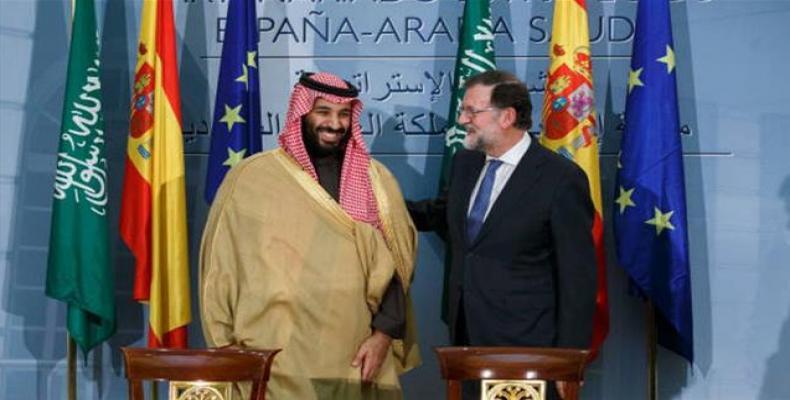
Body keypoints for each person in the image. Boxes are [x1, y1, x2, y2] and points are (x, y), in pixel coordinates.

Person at [200, 72, 420, 400]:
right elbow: (220, 268)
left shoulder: (376, 181)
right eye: (324, 112)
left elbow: (396, 270)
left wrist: (383, 336)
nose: (335, 123)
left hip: (352, 357)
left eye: (344, 114)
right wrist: (227, 349)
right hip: (271, 360)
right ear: (301, 112)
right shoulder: (250, 178)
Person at [408, 70, 596, 399]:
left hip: (530, 349)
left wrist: (568, 363)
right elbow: (442, 216)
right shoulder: (465, 163)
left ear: (507, 116)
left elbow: (577, 278)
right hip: (466, 340)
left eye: (471, 111)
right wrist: (380, 203)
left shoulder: (560, 178)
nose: (462, 119)